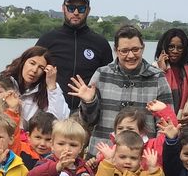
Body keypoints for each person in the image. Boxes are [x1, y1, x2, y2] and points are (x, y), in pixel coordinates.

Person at [70, 24, 172, 152]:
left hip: (141, 156)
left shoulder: (157, 77)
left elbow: (166, 124)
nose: (130, 56)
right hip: (102, 153)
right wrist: (89, 103)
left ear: (143, 48)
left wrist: (154, 154)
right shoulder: (102, 74)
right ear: (116, 50)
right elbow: (87, 122)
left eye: (135, 49)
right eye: (124, 51)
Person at [37, 0, 113, 112]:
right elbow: (31, 70)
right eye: (71, 8)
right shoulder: (48, 40)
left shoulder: (101, 43)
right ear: (63, 8)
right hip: (52, 111)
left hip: (87, 112)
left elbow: (109, 80)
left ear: (88, 10)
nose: (76, 12)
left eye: (81, 8)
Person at [2, 46, 69, 124]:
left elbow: (60, 120)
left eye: (41, 67)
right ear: (23, 62)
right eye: (32, 63)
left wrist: (52, 87)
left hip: (32, 131)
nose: (34, 70)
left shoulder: (47, 90)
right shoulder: (4, 81)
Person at [153, 28, 188, 125]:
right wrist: (161, 71)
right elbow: (149, 101)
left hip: (187, 131)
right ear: (163, 48)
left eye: (180, 48)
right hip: (161, 128)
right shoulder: (153, 70)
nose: (175, 51)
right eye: (171, 47)